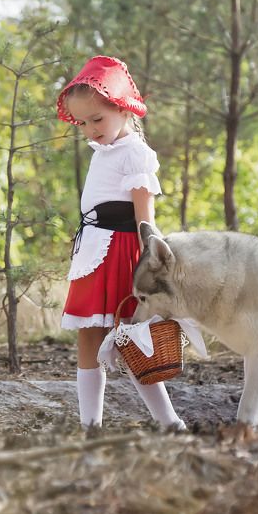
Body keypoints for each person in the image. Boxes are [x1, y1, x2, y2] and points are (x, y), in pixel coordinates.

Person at [56, 55, 186, 431]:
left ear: (122, 108)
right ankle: (90, 427)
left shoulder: (135, 154)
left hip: (121, 255)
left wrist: (155, 267)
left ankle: (169, 420)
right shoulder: (104, 152)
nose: (90, 130)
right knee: (88, 339)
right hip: (93, 254)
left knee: (133, 342)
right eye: (82, 123)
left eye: (97, 119)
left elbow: (146, 220)